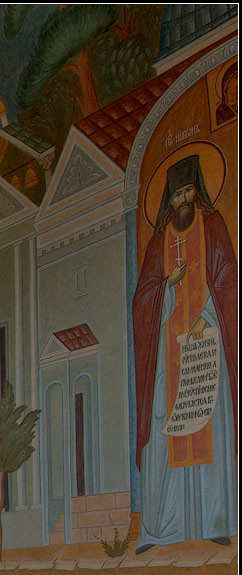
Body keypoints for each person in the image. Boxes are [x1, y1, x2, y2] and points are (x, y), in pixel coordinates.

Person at [133, 154, 237, 553]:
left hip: (205, 348)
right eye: (177, 193)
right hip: (168, 352)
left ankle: (214, 522)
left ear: (198, 191)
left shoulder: (213, 226)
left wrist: (206, 316)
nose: (184, 199)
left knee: (208, 429)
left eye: (190, 190)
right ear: (168, 201)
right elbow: (141, 301)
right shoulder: (159, 243)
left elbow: (229, 279)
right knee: (165, 431)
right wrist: (165, 286)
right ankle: (163, 530)